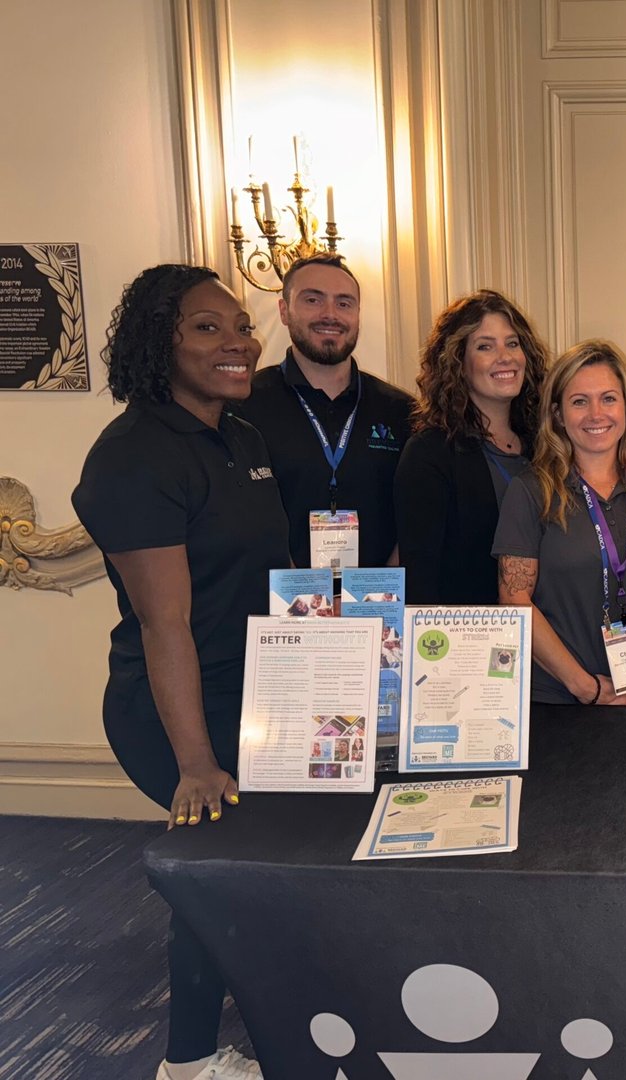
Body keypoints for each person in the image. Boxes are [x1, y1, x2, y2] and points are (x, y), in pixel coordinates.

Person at [72, 265, 285, 1080]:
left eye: (240, 326)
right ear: (158, 342)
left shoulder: (243, 437)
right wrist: (196, 764)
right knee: (216, 885)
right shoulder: (133, 457)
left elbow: (272, 575)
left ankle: (254, 1044)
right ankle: (189, 1063)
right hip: (174, 711)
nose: (236, 342)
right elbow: (166, 625)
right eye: (207, 327)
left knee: (246, 879)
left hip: (255, 697)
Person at [494, 340, 626, 705]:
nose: (596, 414)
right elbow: (514, 598)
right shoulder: (531, 491)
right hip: (557, 699)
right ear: (558, 415)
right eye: (579, 401)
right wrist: (585, 687)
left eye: (609, 399)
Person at [233, 254, 414, 570]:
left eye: (344, 303)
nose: (330, 314)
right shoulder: (243, 407)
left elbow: (420, 512)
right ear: (284, 311)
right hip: (276, 607)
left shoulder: (403, 411)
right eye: (313, 300)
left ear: (358, 314)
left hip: (378, 606)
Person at [395, 290, 549, 604]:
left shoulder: (547, 443)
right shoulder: (430, 453)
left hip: (552, 634)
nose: (505, 357)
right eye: (484, 346)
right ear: (458, 363)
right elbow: (419, 579)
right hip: (469, 642)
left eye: (512, 343)